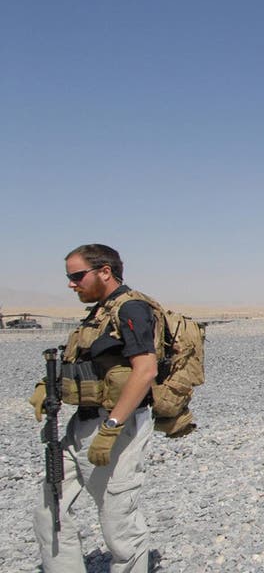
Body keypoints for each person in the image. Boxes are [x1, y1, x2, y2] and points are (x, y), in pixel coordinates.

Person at [29, 244, 157, 572]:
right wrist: (49, 387)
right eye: (69, 277)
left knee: (118, 521)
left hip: (118, 424)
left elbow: (145, 371)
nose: (71, 284)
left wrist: (112, 427)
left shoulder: (131, 309)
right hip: (81, 422)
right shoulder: (99, 311)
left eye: (77, 275)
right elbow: (84, 361)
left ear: (105, 272)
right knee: (50, 507)